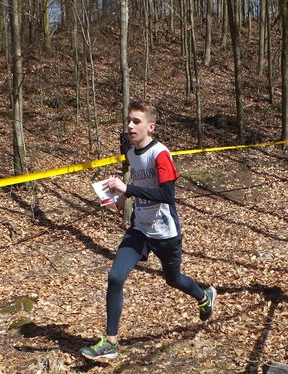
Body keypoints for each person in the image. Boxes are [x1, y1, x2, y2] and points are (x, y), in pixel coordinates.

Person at [81, 100, 216, 360]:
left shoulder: (160, 154)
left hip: (165, 232)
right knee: (116, 276)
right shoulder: (131, 154)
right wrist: (120, 200)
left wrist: (127, 189)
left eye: (136, 121)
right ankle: (110, 342)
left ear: (150, 127)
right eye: (128, 121)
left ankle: (204, 295)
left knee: (173, 279)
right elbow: (136, 188)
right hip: (140, 230)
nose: (130, 126)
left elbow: (166, 194)